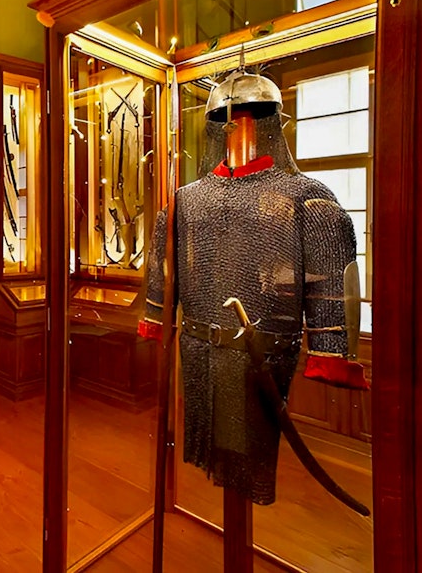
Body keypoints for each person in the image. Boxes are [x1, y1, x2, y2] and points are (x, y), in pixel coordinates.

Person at [138, 69, 368, 506]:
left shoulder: (305, 197)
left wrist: (331, 351)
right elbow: (162, 271)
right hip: (200, 348)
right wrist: (156, 319)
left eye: (252, 116)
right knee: (215, 448)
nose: (241, 125)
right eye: (233, 118)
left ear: (269, 123)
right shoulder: (185, 201)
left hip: (264, 352)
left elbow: (329, 279)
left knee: (250, 459)